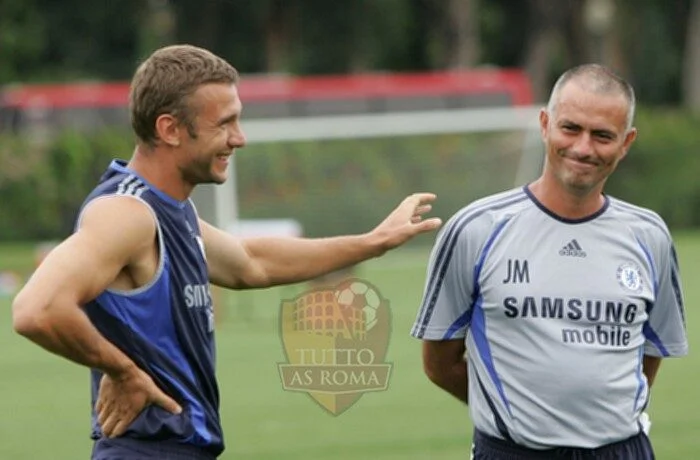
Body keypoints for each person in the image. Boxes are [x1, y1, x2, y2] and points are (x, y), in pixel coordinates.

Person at [11, 44, 442, 460]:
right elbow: (36, 308)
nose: (240, 138)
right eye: (225, 123)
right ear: (170, 129)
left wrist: (374, 241)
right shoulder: (126, 213)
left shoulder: (168, 210)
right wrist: (124, 372)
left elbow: (252, 262)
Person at [411, 63, 688, 459]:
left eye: (603, 136)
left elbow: (648, 355)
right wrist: (519, 416)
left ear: (626, 143)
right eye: (571, 128)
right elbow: (440, 363)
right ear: (545, 124)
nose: (583, 148)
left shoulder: (650, 236)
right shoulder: (476, 229)